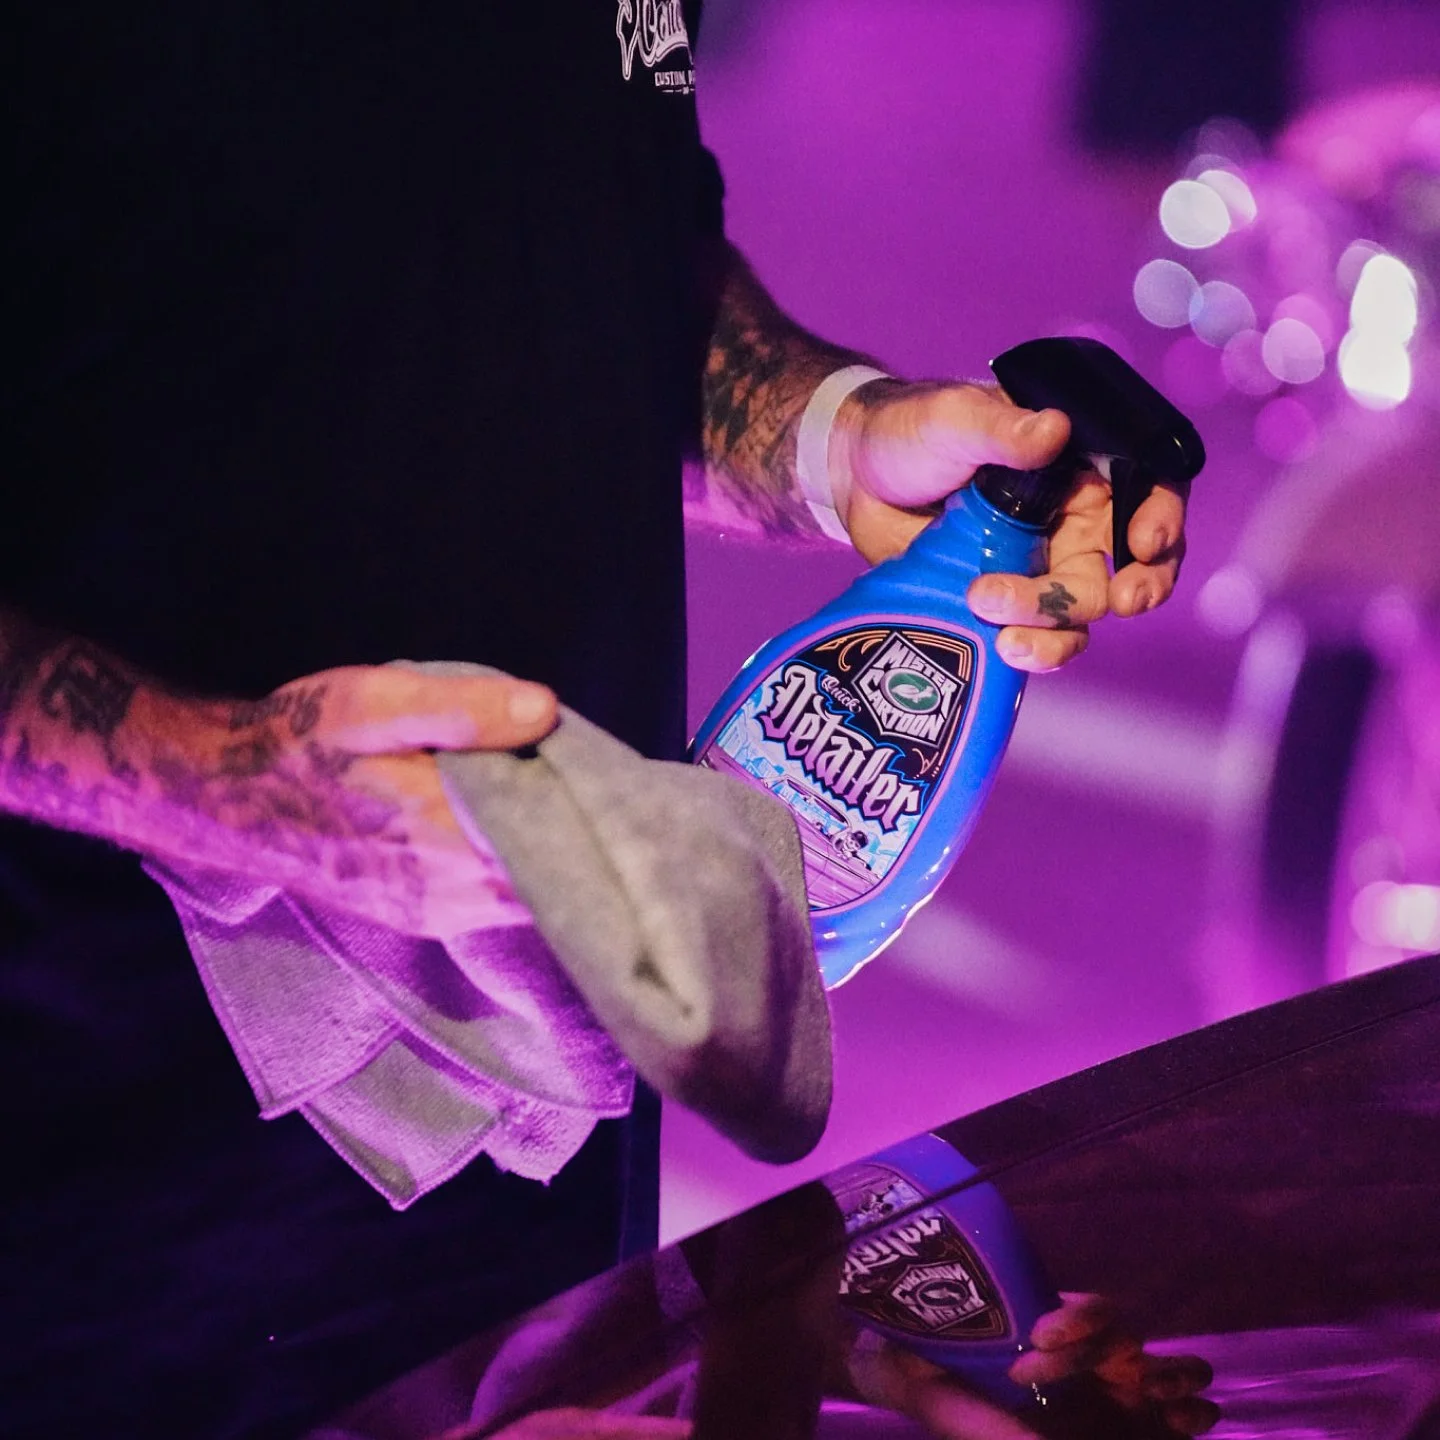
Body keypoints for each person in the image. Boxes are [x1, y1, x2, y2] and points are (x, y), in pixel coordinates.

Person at [1, 5, 1189, 1437]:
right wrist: (218, 780)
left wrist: (837, 433)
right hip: (100, 1185)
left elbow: (602, 262)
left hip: (551, 1145)